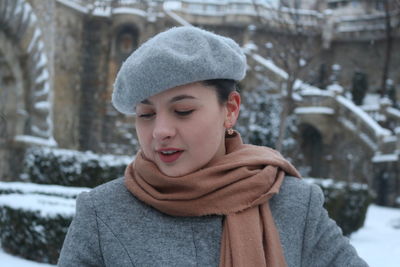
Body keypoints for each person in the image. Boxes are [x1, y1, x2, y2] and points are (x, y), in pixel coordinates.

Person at [58, 26, 368, 267]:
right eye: (146, 115)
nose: (160, 131)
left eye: (183, 111)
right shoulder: (102, 213)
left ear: (230, 109)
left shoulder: (296, 206)